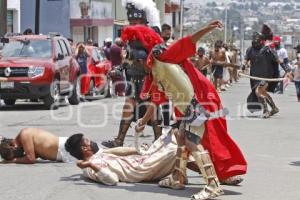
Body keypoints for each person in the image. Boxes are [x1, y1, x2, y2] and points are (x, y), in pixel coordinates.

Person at [124, 21, 247, 200]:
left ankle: (213, 185)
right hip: (185, 107)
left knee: (192, 142)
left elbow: (189, 41)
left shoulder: (165, 56)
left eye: (136, 61)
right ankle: (178, 176)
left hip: (200, 100)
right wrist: (142, 122)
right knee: (180, 136)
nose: (137, 65)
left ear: (141, 58)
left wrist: (208, 28)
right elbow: (156, 101)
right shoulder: (155, 72)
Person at [66, 130, 244, 186]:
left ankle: (180, 172)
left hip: (143, 159)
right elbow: (112, 180)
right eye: (88, 140)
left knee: (172, 134)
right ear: (84, 148)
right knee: (177, 148)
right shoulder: (90, 166)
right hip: (141, 169)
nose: (92, 141)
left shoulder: (100, 153)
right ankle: (219, 176)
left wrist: (139, 150)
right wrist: (92, 165)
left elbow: (120, 151)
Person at [101, 0, 163, 148]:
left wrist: (143, 59)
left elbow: (156, 57)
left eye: (137, 19)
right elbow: (128, 59)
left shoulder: (151, 34)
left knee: (152, 110)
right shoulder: (130, 37)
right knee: (128, 108)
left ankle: (159, 141)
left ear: (143, 19)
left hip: (148, 79)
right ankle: (119, 141)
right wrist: (119, 69)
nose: (134, 22)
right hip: (133, 79)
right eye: (132, 19)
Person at [244, 27, 291, 118]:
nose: (254, 41)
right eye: (253, 39)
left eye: (256, 39)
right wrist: (242, 67)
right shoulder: (250, 49)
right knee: (263, 92)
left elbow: (279, 60)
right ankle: (274, 108)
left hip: (266, 76)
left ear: (261, 40)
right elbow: (246, 60)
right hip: (254, 76)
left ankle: (266, 111)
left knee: (258, 91)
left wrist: (287, 70)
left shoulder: (268, 49)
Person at [0, 128, 76, 164]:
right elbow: (35, 155)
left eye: (15, 154)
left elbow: (31, 159)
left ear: (13, 145)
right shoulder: (24, 142)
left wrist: (12, 161)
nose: (18, 155)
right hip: (62, 152)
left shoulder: (24, 134)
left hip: (66, 149)